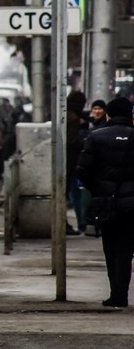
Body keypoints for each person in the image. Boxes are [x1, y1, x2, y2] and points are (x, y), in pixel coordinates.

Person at [75, 96, 134, 307]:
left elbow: (82, 169)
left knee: (110, 247)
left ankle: (116, 294)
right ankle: (122, 293)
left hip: (105, 202)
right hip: (131, 205)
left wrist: (98, 189)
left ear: (108, 114)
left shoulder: (96, 137)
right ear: (130, 115)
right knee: (126, 249)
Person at [65, 90, 88, 235]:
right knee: (68, 192)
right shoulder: (73, 119)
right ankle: (66, 224)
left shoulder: (64, 114)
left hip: (65, 161)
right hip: (70, 161)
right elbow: (71, 141)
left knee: (66, 193)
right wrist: (84, 141)